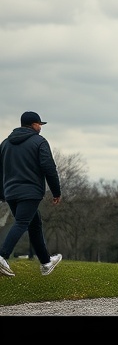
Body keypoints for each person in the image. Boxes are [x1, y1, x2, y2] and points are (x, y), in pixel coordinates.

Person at [0, 111, 63, 278]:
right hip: (30, 191)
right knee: (21, 222)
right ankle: (2, 255)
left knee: (34, 224)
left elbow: (1, 170)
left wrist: (2, 193)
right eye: (39, 124)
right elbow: (49, 168)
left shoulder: (5, 143)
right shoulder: (39, 142)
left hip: (11, 192)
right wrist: (56, 191)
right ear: (33, 124)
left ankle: (46, 263)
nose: (40, 128)